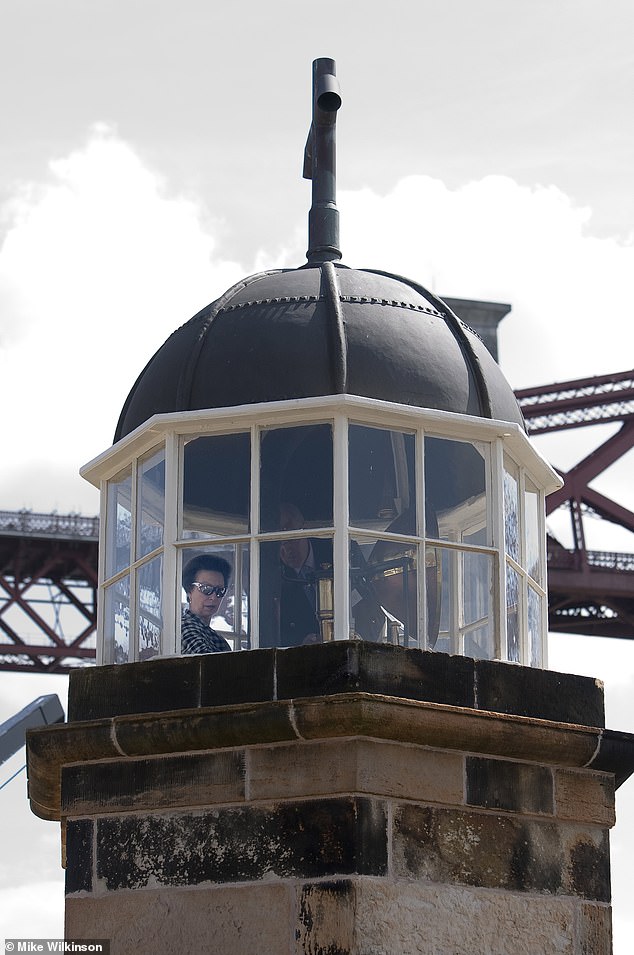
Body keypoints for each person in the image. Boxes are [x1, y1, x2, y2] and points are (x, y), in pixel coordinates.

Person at [278, 502, 332, 646]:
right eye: (278, 544)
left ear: (304, 530)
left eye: (290, 539)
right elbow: (276, 631)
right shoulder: (275, 576)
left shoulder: (338, 550)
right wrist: (301, 643)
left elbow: (367, 603)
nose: (286, 550)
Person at [181, 554, 233, 654]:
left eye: (220, 591)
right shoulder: (185, 626)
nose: (213, 597)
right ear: (189, 590)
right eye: (206, 589)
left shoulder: (216, 638)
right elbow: (205, 662)